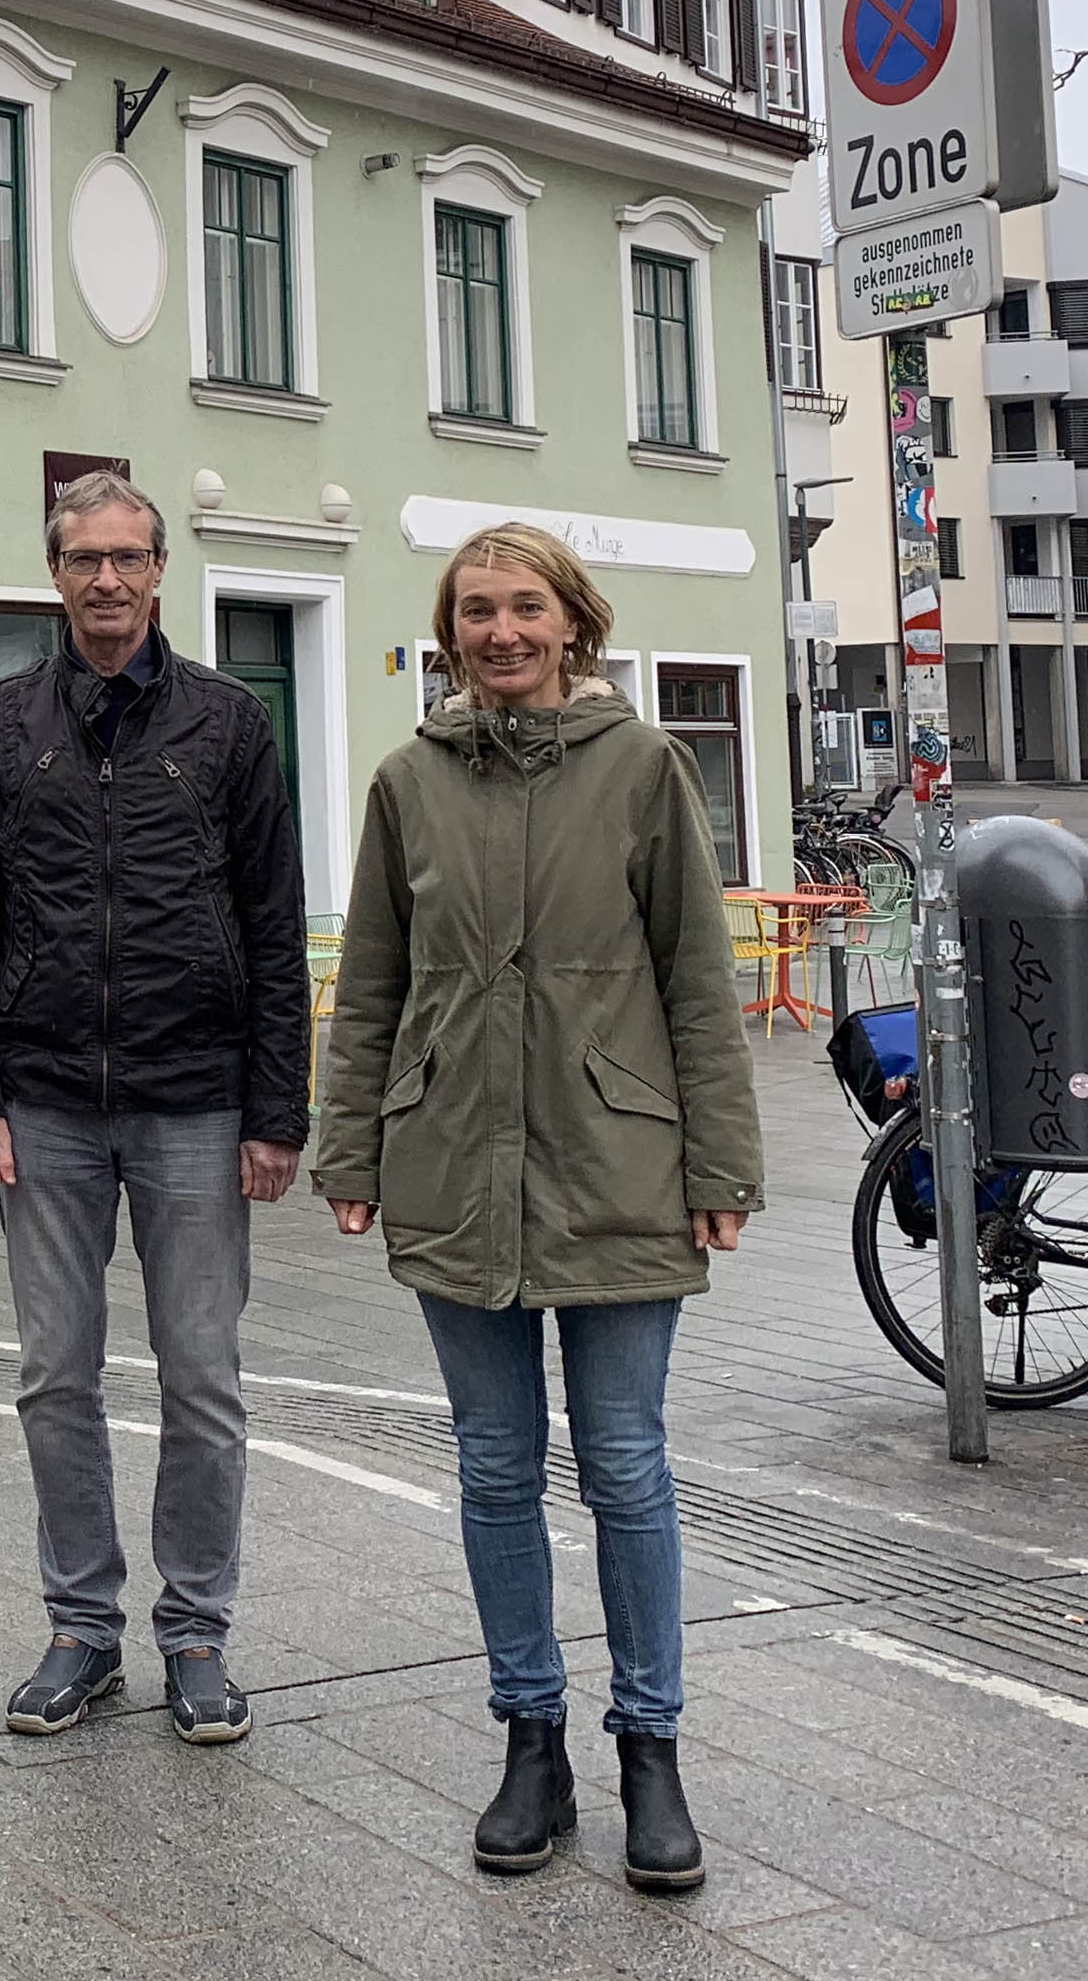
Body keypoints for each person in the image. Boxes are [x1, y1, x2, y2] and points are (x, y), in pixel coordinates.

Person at [307, 524, 763, 1897]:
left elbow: (698, 973)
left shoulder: (643, 769)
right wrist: (349, 1145)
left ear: (573, 621)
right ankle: (529, 1739)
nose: (500, 631)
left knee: (624, 1461)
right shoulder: (406, 781)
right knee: (494, 1467)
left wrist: (719, 1163)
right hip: (450, 1154)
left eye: (524, 607)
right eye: (475, 612)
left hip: (615, 1156)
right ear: (449, 635)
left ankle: (649, 1747)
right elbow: (372, 981)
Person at [0, 469, 311, 1747]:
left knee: (204, 1377)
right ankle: (82, 1627)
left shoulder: (227, 722)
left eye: (128, 558)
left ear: (160, 571)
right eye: (84, 558)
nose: (106, 580)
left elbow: (271, 918)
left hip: (196, 1099)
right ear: (56, 573)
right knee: (55, 1374)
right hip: (41, 1101)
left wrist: (279, 1110)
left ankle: (196, 1630)